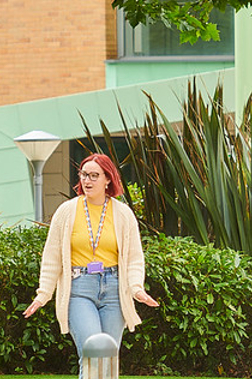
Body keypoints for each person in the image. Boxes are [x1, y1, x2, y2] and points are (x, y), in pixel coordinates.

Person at [23, 152, 159, 356]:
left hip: (114, 290)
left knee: (108, 357)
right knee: (92, 352)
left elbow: (134, 259)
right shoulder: (66, 211)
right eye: (84, 174)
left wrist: (137, 289)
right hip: (79, 288)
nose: (87, 180)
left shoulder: (123, 214)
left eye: (94, 175)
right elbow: (52, 258)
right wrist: (43, 295)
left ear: (108, 179)